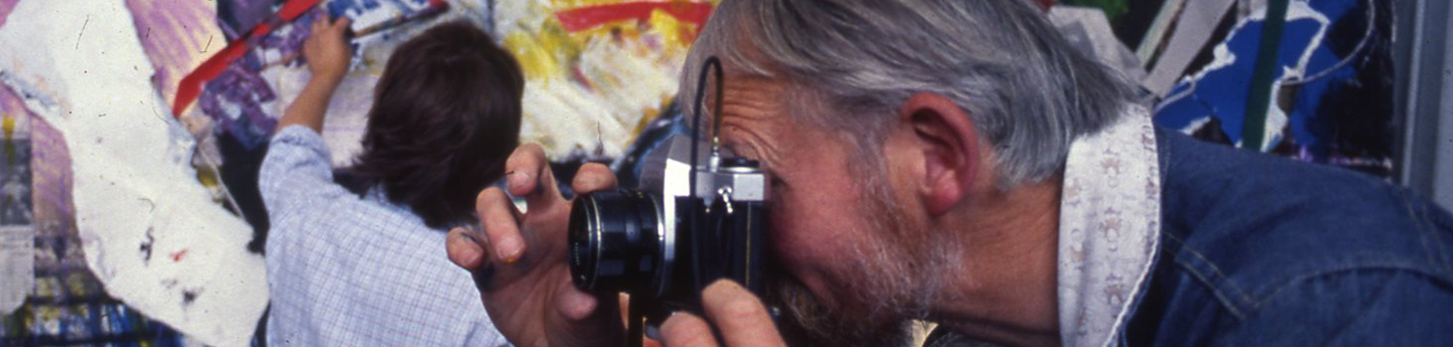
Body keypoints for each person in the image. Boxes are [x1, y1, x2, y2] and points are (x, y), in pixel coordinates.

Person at [444, 0, 1453, 346]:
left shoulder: (1336, 312)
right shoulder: (977, 308)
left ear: (933, 153)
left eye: (747, 181)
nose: (730, 226)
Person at [261, 18, 523, 346]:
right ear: (500, 166)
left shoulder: (305, 212)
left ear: (377, 117)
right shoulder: (489, 312)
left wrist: (325, 75)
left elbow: (291, 145)